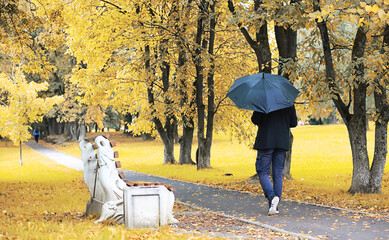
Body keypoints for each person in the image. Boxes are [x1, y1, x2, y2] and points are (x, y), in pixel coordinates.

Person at [251, 105, 297, 215]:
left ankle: (272, 198)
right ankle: (275, 207)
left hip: (266, 141)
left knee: (263, 172)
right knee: (278, 174)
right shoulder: (288, 102)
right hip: (281, 141)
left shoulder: (263, 101)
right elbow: (293, 122)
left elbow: (255, 119)